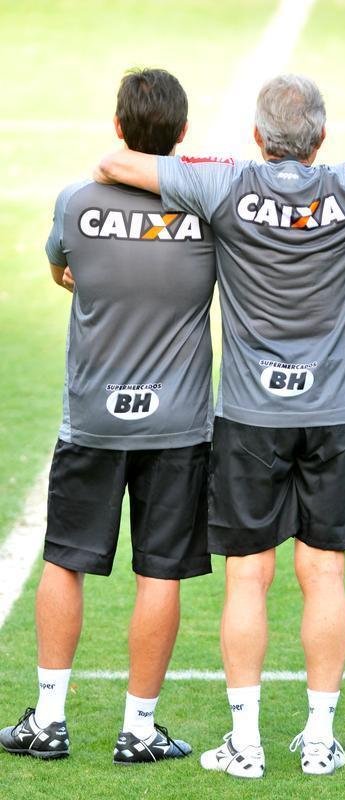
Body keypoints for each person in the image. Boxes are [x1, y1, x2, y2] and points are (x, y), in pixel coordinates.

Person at [95, 73, 345, 778]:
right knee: (325, 573)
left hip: (251, 416)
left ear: (257, 135)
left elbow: (116, 165)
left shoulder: (224, 185)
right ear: (322, 137)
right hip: (336, 414)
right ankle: (319, 740)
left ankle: (245, 744)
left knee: (248, 577)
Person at [0, 69, 216, 764]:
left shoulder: (76, 202)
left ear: (118, 128)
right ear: (182, 133)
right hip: (178, 426)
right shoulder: (207, 210)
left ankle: (48, 722)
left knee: (65, 562)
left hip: (93, 421)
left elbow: (63, 271)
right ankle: (140, 729)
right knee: (159, 573)